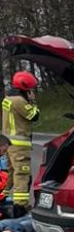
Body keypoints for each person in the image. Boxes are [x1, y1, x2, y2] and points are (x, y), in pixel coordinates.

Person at [2, 71, 40, 216]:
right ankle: (20, 207)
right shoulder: (19, 101)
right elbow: (34, 116)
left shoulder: (7, 99)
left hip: (8, 143)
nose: (31, 92)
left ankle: (2, 198)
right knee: (22, 175)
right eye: (30, 89)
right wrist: (32, 101)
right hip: (19, 145)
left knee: (10, 174)